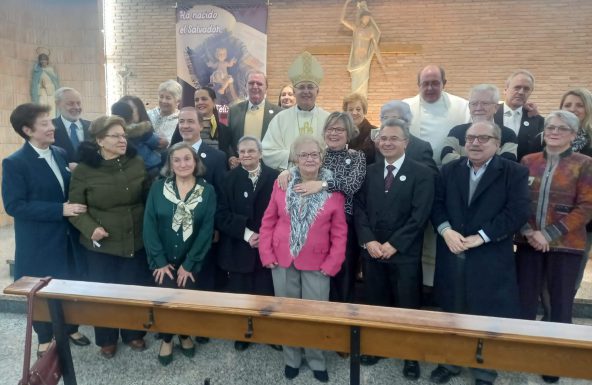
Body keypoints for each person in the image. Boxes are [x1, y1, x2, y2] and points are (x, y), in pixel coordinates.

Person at [430, 120, 530, 385]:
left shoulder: (514, 172)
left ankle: (483, 370)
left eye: (483, 138)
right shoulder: (449, 170)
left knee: (486, 314)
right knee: (452, 311)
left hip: (489, 256)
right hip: (452, 251)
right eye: (470, 138)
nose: (475, 143)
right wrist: (445, 230)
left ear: (497, 144)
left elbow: (517, 211)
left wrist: (482, 236)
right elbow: (436, 204)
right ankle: (450, 363)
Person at [2, 103, 90, 357]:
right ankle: (44, 336)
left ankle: (71, 328)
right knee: (41, 291)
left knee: (69, 283)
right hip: (39, 241)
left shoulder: (60, 153)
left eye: (50, 122)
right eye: (44, 124)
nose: (52, 127)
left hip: (67, 239)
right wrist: (58, 210)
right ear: (28, 130)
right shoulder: (15, 163)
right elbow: (14, 206)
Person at [259, 135, 347, 383]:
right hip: (282, 260)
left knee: (315, 315)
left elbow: (340, 233)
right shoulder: (282, 183)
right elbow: (268, 222)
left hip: (318, 265)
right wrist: (266, 253)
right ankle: (292, 359)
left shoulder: (333, 190)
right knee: (287, 313)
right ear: (295, 159)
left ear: (321, 157)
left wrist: (332, 264)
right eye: (303, 155)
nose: (309, 159)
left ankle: (317, 360)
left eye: (314, 154)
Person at [354, 118, 435, 380]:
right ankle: (377, 348)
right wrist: (369, 241)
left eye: (393, 138)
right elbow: (360, 209)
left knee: (407, 305)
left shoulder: (421, 173)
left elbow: (419, 216)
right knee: (376, 302)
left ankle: (410, 356)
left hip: (405, 254)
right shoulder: (369, 172)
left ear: (406, 143)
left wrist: (394, 244)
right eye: (383, 138)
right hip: (374, 251)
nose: (387, 143)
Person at [516, 110, 592, 384]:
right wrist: (528, 231)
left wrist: (548, 234)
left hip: (566, 244)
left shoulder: (584, 164)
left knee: (559, 304)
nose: (554, 132)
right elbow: (519, 200)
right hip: (528, 242)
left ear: (573, 134)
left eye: (561, 128)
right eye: (549, 127)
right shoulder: (528, 161)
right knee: (524, 299)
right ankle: (521, 352)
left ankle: (555, 359)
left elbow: (586, 207)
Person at [68, 115, 150, 359]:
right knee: (103, 294)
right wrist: (90, 228)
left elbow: (147, 196)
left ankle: (133, 334)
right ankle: (106, 339)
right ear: (100, 140)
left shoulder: (136, 162)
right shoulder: (84, 170)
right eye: (115, 136)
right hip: (100, 244)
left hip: (135, 237)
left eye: (124, 135)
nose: (122, 140)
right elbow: (75, 208)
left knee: (133, 288)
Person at [278, 112, 366, 304]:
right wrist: (287, 171)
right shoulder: (318, 154)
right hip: (315, 224)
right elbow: (300, 166)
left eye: (339, 129)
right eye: (330, 129)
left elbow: (352, 185)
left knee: (342, 275)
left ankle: (339, 322)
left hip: (345, 225)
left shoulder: (357, 157)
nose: (334, 133)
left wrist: (323, 185)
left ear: (349, 133)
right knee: (316, 276)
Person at [143, 142, 216, 366]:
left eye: (187, 159)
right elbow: (149, 225)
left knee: (185, 300)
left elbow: (206, 230)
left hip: (191, 259)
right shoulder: (158, 188)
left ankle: (184, 335)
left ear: (195, 163)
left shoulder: (207, 190)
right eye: (177, 160)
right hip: (161, 259)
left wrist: (190, 263)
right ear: (170, 165)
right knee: (165, 300)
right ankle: (167, 339)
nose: (183, 164)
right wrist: (159, 261)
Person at [215, 136, 279, 351]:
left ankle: (269, 333)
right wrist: (248, 234)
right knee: (240, 293)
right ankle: (244, 332)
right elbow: (221, 214)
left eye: (251, 151)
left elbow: (283, 212)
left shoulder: (276, 178)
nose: (246, 155)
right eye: (242, 151)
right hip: (239, 246)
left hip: (268, 247)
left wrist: (265, 236)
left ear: (260, 153)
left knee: (266, 291)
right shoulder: (228, 179)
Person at [177, 106, 226, 292]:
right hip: (175, 232)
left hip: (204, 233)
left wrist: (215, 227)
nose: (185, 126)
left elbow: (221, 196)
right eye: (182, 121)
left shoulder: (217, 157)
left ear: (201, 125)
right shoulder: (170, 154)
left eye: (190, 121)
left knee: (203, 284)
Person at [262, 51, 330, 170]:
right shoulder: (280, 119)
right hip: (288, 179)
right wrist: (291, 155)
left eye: (310, 87)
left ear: (317, 91)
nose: (306, 91)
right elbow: (266, 152)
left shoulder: (328, 119)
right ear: (294, 92)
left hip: (320, 178)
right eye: (301, 87)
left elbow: (335, 151)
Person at [403, 65, 470, 167]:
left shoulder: (462, 106)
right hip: (414, 169)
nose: (430, 88)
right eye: (425, 84)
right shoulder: (404, 108)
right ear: (418, 85)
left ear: (444, 83)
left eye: (435, 83)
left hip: (450, 168)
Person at [560, 88, 592, 291]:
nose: (573, 109)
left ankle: (560, 317)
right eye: (568, 105)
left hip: (583, 222)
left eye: (579, 105)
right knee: (544, 274)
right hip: (546, 221)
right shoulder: (545, 138)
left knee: (570, 275)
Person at [441, 84, 518, 164]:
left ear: (496, 108)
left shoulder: (508, 135)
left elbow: (507, 164)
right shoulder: (456, 132)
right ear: (469, 107)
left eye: (485, 103)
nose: (479, 108)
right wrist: (487, 162)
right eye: (474, 104)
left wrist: (463, 162)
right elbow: (446, 158)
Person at [226, 71, 282, 168]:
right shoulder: (233, 111)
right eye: (251, 83)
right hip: (240, 168)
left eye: (259, 84)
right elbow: (228, 140)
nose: (255, 86)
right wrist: (231, 157)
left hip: (268, 169)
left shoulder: (279, 113)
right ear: (245, 86)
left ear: (266, 88)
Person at [494, 70, 544, 161]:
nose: (521, 92)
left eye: (526, 89)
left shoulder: (538, 121)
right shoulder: (491, 113)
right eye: (517, 87)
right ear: (505, 90)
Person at [340, 0, 384, 96]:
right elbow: (342, 20)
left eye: (369, 18)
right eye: (366, 17)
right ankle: (353, 104)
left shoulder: (371, 31)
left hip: (364, 61)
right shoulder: (356, 28)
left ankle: (362, 104)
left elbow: (375, 48)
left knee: (363, 85)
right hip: (356, 61)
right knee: (355, 85)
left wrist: (381, 60)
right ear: (361, 18)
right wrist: (346, 4)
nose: (367, 20)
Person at [111, 101, 163, 178]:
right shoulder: (141, 130)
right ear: (132, 116)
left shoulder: (111, 134)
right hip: (150, 166)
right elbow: (155, 142)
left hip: (127, 169)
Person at [52, 87, 91, 164]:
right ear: (58, 104)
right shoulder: (49, 128)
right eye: (71, 103)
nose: (76, 107)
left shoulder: (93, 127)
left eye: (78, 103)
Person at [344, 93, 378, 164]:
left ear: (364, 111)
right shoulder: (341, 133)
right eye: (350, 109)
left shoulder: (375, 132)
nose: (354, 112)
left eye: (358, 109)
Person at [147, 79, 182, 143]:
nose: (163, 101)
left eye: (168, 98)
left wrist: (167, 143)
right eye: (161, 97)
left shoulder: (180, 120)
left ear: (177, 101)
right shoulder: (148, 115)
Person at [31, 52, 59, 117]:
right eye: (41, 61)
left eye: (44, 61)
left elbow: (55, 83)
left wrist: (48, 86)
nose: (43, 63)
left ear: (47, 61)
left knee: (51, 109)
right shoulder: (37, 71)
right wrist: (40, 86)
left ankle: (52, 122)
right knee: (41, 109)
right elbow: (34, 84)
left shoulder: (50, 70)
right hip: (41, 92)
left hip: (51, 93)